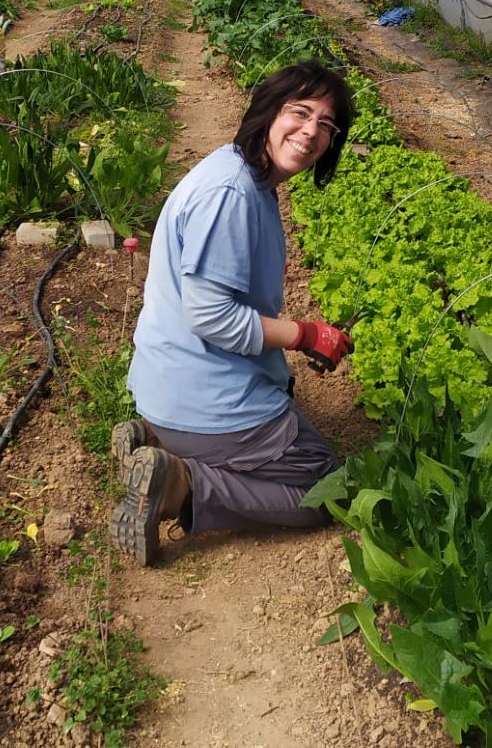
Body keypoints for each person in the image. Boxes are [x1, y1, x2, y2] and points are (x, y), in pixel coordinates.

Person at [110, 61, 359, 566]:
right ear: (270, 112)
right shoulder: (230, 194)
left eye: (328, 126)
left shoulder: (241, 173)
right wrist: (305, 334)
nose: (312, 132)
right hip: (199, 396)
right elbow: (213, 318)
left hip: (169, 382)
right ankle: (182, 484)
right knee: (326, 485)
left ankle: (158, 438)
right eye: (301, 112)